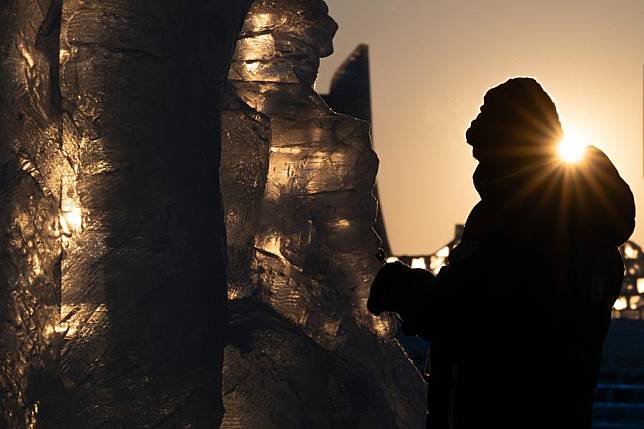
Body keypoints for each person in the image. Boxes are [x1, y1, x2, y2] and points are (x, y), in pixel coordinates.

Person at [367, 77, 636, 429]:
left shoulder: (537, 218)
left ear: (516, 134)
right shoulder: (546, 216)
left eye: (485, 119)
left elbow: (485, 326)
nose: (471, 135)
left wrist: (401, 286)